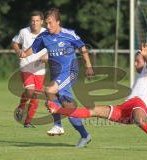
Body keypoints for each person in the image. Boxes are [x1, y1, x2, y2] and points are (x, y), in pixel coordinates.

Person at [46, 43, 147, 153]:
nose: (135, 64)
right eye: (135, 61)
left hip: (139, 105)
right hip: (125, 107)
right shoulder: (142, 75)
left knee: (139, 119)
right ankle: (57, 110)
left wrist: (146, 56)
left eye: (138, 61)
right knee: (93, 110)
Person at [20, 8, 94, 148]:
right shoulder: (44, 36)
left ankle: (58, 125)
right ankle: (85, 135)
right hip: (56, 75)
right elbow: (33, 49)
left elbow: (82, 47)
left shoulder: (68, 35)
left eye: (50, 23)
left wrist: (89, 65)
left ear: (58, 22)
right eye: (46, 23)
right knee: (69, 108)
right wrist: (23, 54)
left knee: (49, 90)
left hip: (70, 71)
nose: (47, 26)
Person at [12, 11, 47, 128]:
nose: (35, 23)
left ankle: (27, 122)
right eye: (33, 21)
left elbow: (54, 47)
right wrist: (18, 51)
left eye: (37, 21)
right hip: (26, 65)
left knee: (36, 96)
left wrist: (48, 56)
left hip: (40, 69)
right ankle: (21, 107)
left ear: (42, 22)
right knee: (30, 91)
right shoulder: (23, 32)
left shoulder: (47, 33)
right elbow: (15, 42)